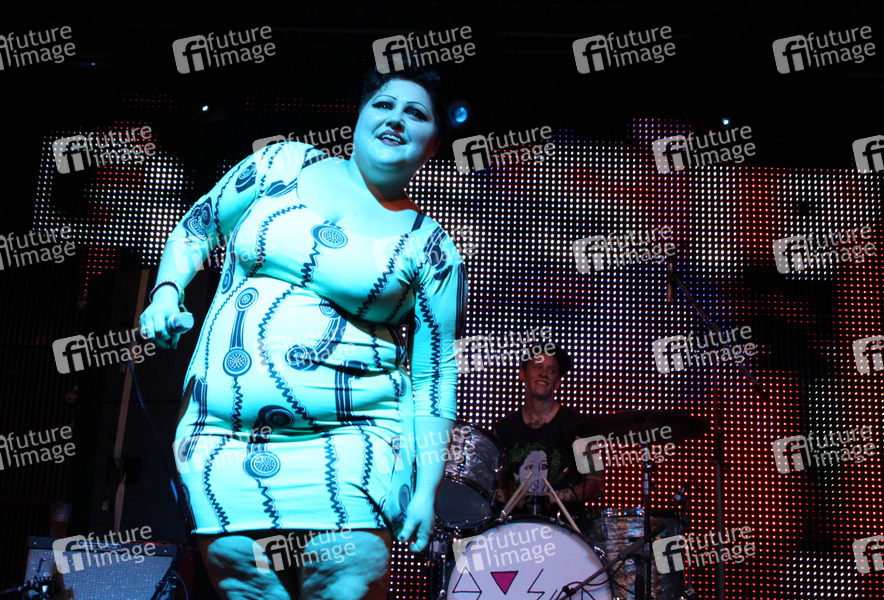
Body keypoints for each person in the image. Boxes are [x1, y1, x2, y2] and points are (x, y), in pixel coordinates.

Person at [140, 67, 467, 600]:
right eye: (383, 105)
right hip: (224, 437)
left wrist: (427, 487)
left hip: (354, 441)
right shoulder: (281, 163)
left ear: (432, 145)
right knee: (246, 586)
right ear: (359, 116)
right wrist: (166, 293)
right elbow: (198, 225)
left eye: (416, 113)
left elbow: (436, 374)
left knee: (345, 585)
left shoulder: (431, 247)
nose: (396, 119)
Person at [492, 345, 602, 523]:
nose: (544, 374)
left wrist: (551, 497)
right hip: (517, 528)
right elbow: (498, 487)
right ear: (523, 375)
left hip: (566, 528)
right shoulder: (504, 428)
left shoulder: (581, 426)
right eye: (538, 367)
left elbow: (596, 484)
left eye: (552, 370)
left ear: (557, 382)